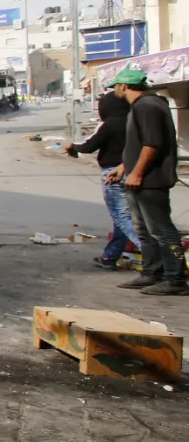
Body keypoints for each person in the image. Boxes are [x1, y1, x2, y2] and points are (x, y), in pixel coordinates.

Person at [105, 68, 186, 295]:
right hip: (138, 179)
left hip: (151, 180)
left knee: (161, 229)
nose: (115, 90)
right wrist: (124, 168)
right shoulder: (141, 107)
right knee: (144, 230)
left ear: (124, 86)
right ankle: (153, 272)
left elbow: (153, 144)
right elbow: (140, 146)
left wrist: (138, 172)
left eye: (116, 86)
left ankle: (175, 278)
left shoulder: (148, 106)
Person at [67, 91, 140, 269]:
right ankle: (110, 257)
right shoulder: (135, 120)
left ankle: (155, 255)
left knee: (122, 218)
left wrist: (73, 147)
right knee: (122, 218)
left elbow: (90, 146)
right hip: (133, 171)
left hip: (113, 175)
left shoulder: (111, 124)